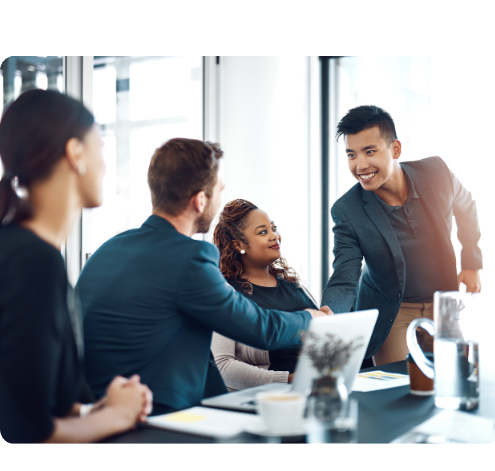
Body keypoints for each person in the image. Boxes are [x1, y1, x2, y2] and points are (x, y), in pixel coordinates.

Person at [76, 138, 327, 415]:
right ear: (200, 200)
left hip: (98, 411)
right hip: (156, 416)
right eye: (218, 191)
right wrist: (310, 319)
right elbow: (259, 329)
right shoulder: (190, 257)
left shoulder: (109, 249)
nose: (219, 201)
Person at [0, 89, 152, 444]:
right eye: (100, 148)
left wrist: (102, 408)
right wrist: (117, 415)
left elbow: (32, 404)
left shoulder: (31, 254)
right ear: (76, 154)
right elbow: (27, 434)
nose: (104, 165)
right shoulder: (33, 261)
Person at [321, 105, 482, 366]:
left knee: (454, 377)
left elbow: (467, 207)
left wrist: (471, 262)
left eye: (369, 151)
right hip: (392, 312)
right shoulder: (347, 210)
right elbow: (345, 275)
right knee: (395, 388)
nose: (360, 165)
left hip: (443, 304)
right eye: (352, 155)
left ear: (395, 149)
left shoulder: (437, 172)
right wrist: (328, 314)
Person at [211, 199, 330, 391]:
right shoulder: (226, 292)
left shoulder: (294, 285)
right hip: (269, 396)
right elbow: (223, 366)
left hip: (316, 386)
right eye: (263, 232)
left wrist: (330, 326)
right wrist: (290, 380)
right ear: (238, 244)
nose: (274, 236)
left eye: (274, 228)